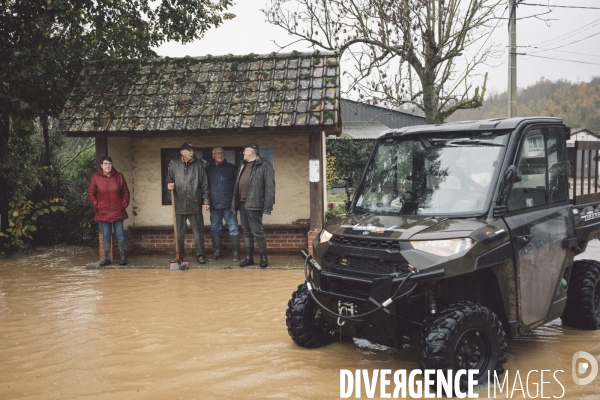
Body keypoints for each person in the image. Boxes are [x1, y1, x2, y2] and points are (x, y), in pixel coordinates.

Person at [232, 143, 275, 268]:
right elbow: (237, 186)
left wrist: (267, 206)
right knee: (246, 231)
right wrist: (234, 204)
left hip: (255, 203)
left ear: (251, 152)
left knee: (257, 231)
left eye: (245, 150)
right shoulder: (242, 165)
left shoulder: (265, 165)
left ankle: (263, 258)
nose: (243, 153)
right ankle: (249, 258)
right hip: (242, 202)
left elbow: (270, 187)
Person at [166, 142, 210, 264]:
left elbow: (205, 184)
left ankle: (200, 255)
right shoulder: (174, 166)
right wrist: (168, 186)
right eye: (189, 150)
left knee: (198, 231)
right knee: (179, 232)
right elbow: (169, 181)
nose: (192, 152)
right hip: (179, 204)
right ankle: (179, 256)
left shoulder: (198, 166)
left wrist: (206, 201)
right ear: (182, 152)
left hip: (194, 203)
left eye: (192, 150)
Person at [87, 156, 130, 266]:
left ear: (112, 165)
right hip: (103, 211)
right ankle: (106, 258)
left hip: (117, 210)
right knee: (106, 234)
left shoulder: (119, 177)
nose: (107, 166)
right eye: (105, 163)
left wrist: (123, 204)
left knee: (119, 233)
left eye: (109, 163)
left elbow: (126, 192)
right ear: (101, 166)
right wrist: (97, 206)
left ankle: (123, 258)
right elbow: (91, 194)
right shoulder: (96, 178)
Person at [205, 147, 240, 262]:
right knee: (215, 228)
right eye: (217, 153)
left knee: (233, 227)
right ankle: (217, 252)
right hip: (214, 205)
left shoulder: (231, 168)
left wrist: (235, 203)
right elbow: (205, 187)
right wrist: (206, 201)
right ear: (213, 155)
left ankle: (236, 253)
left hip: (229, 204)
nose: (220, 155)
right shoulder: (208, 169)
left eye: (221, 153)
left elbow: (237, 187)